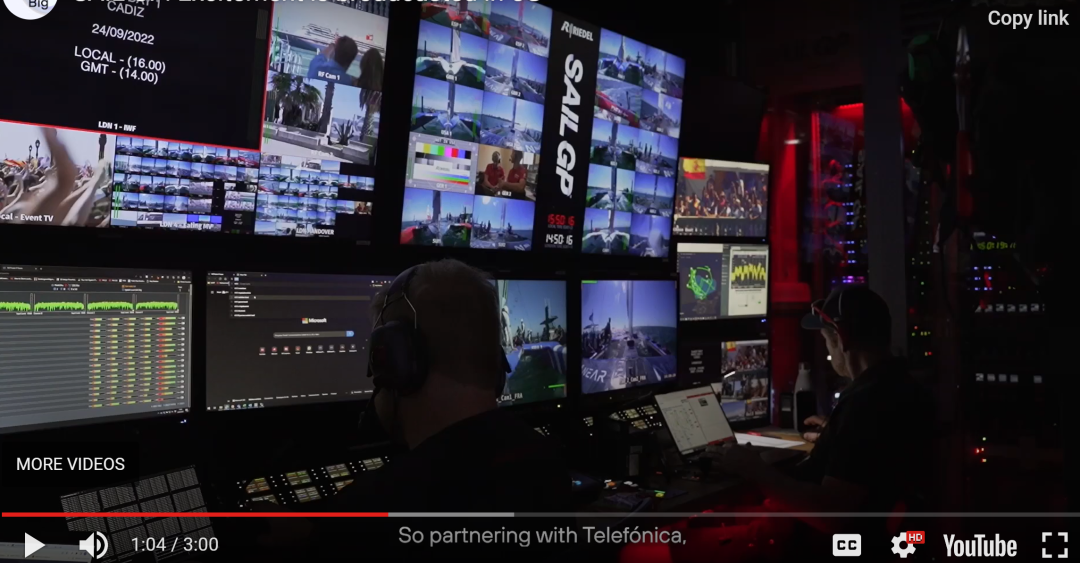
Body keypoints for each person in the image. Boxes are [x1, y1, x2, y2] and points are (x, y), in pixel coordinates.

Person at [256, 260, 572, 560]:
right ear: (498, 364)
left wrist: (309, 534)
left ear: (396, 364)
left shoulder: (375, 510)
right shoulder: (547, 458)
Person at [622, 285, 933, 563]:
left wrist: (755, 469)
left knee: (640, 550)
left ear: (842, 338)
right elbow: (869, 457)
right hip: (838, 537)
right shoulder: (898, 387)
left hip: (808, 544)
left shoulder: (864, 404)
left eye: (827, 340)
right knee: (712, 517)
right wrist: (834, 433)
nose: (828, 350)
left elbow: (834, 515)